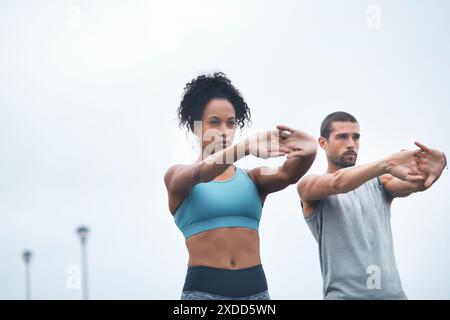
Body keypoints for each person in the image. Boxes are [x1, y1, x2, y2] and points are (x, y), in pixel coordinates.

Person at [164, 72, 317, 300]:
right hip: (204, 293)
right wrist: (245, 148)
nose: (225, 131)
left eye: (231, 123)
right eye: (214, 122)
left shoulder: (253, 179)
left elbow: (287, 174)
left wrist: (309, 150)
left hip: (255, 292)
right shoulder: (177, 175)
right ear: (197, 127)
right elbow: (200, 172)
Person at [297, 111, 447, 299]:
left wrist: (438, 164)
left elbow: (417, 184)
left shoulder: (380, 182)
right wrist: (387, 163)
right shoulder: (309, 185)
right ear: (323, 143)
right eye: (342, 137)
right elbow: (337, 183)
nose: (351, 144)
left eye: (356, 137)